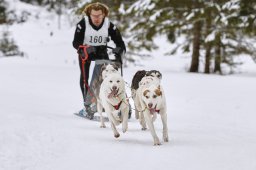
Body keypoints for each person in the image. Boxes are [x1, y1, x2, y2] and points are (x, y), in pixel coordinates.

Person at [72, 2, 126, 118]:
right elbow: (76, 43)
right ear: (89, 15)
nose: (96, 18)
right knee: (85, 78)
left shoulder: (109, 25)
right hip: (86, 53)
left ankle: (108, 103)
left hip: (101, 52)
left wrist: (119, 51)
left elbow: (120, 43)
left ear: (104, 14)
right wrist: (83, 49)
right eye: (94, 16)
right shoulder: (83, 24)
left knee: (105, 78)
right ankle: (87, 106)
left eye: (99, 16)